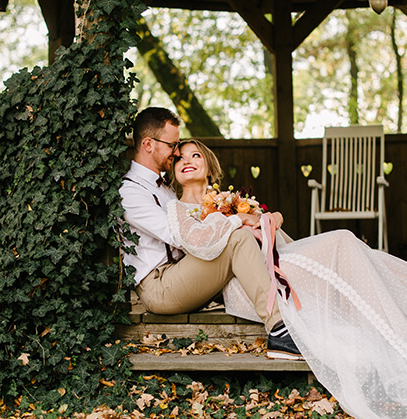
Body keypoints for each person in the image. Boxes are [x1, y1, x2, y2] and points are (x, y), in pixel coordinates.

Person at [165, 138, 407, 419]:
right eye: (179, 158)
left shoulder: (230, 200)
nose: (187, 161)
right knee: (344, 246)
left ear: (209, 166)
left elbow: (271, 224)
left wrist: (261, 217)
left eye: (195, 155)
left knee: (349, 250)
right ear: (172, 171)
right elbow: (198, 241)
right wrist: (237, 220)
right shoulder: (178, 209)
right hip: (252, 283)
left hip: (280, 261)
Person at [119, 107, 301, 360]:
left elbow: (199, 231)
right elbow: (180, 236)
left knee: (244, 236)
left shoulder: (167, 189)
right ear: (148, 144)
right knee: (237, 238)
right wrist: (238, 219)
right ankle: (279, 331)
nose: (176, 152)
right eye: (172, 145)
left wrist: (251, 222)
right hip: (160, 287)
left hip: (185, 272)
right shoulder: (131, 192)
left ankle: (299, 298)